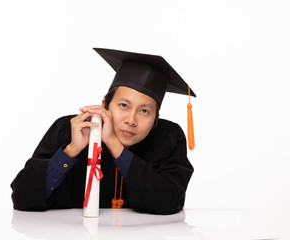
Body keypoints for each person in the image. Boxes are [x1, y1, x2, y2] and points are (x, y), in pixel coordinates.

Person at [10, 48, 195, 215]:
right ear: (104, 105)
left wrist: (115, 145)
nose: (131, 120)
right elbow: (22, 198)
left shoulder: (167, 138)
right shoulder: (69, 130)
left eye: (144, 111)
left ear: (156, 118)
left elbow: (169, 202)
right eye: (123, 105)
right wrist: (71, 150)